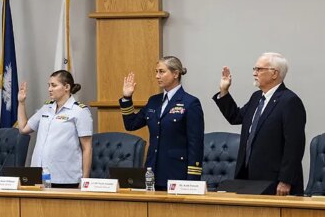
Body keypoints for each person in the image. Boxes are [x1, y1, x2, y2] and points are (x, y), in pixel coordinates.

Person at [213, 52, 305, 196]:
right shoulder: (256, 97)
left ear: (274, 74)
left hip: (274, 181)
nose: (254, 73)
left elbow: (294, 145)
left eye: (259, 69)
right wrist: (224, 91)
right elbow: (235, 117)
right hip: (248, 177)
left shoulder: (290, 101)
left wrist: (286, 180)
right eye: (254, 69)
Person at [120, 56, 204, 188]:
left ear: (175, 73)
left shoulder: (190, 103)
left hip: (177, 175)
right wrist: (127, 97)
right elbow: (131, 124)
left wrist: (192, 180)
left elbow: (196, 144)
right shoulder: (154, 101)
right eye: (156, 72)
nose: (157, 76)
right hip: (152, 173)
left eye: (161, 71)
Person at [16, 71, 92, 188]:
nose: (50, 89)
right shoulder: (46, 108)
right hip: (38, 176)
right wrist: (21, 103)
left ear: (66, 87)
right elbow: (23, 129)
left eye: (54, 85)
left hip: (65, 178)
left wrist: (85, 181)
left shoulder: (80, 111)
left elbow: (87, 148)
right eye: (49, 85)